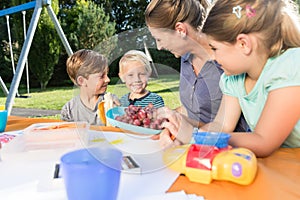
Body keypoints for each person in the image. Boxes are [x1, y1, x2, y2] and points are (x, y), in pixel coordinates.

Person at [157, 0, 300, 157]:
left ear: (243, 44)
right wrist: (182, 135)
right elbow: (222, 126)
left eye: (215, 48)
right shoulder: (233, 79)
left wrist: (195, 137)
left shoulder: (289, 66)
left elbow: (263, 141)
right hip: (278, 161)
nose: (212, 56)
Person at [145, 0, 249, 130]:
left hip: (226, 145)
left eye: (159, 39)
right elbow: (191, 109)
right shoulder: (185, 57)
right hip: (193, 139)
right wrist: (161, 115)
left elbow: (225, 127)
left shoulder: (227, 63)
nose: (159, 47)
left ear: (180, 30)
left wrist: (183, 125)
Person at [61, 49, 119, 125]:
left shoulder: (111, 101)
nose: (108, 79)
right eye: (101, 76)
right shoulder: (69, 110)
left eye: (107, 74)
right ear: (81, 81)